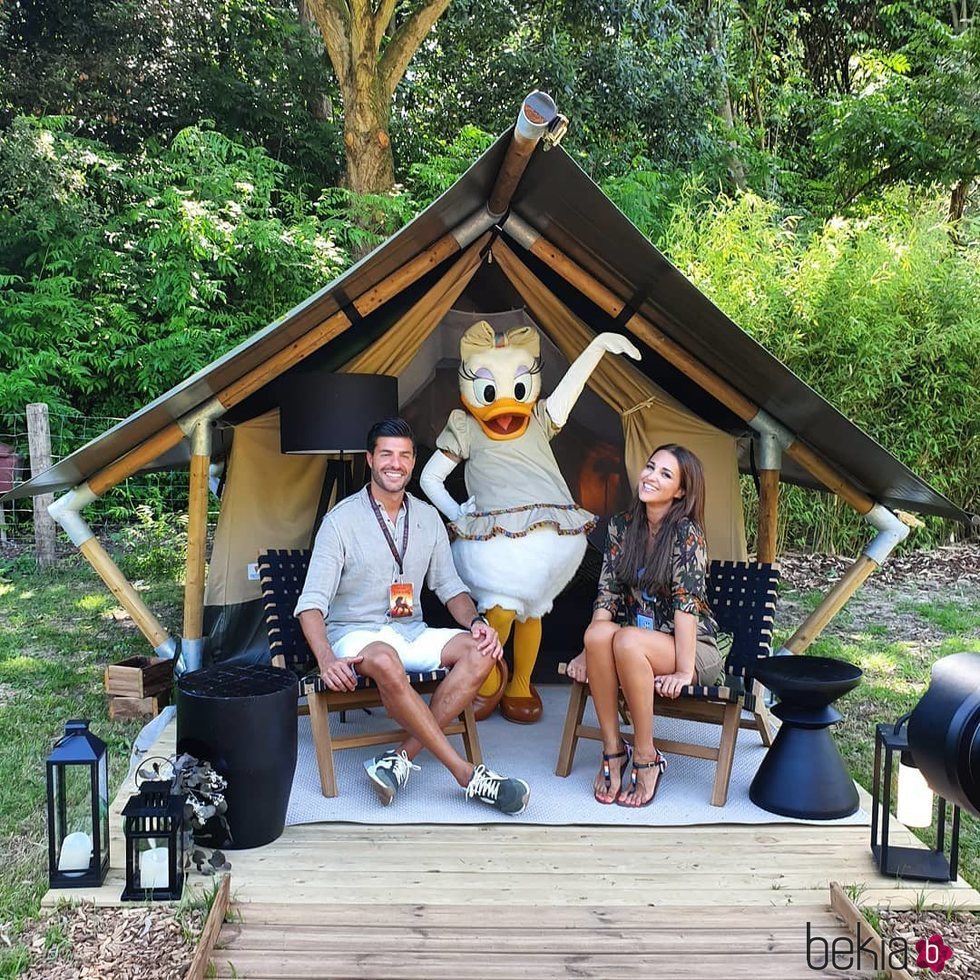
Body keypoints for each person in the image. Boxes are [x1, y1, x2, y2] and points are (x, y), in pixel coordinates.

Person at [295, 417, 530, 815]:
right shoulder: (340, 521)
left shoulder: (427, 518)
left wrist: (477, 624)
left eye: (404, 455)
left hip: (411, 630)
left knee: (484, 651)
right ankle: (466, 774)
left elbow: (451, 589)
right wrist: (326, 659)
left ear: (413, 462)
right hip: (355, 634)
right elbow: (311, 604)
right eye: (386, 453)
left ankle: (400, 758)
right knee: (385, 656)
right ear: (370, 459)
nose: (395, 463)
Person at [566, 444, 722, 808]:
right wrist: (589, 650)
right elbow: (608, 593)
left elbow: (687, 606)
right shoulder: (622, 526)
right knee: (600, 634)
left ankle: (647, 755)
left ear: (681, 491)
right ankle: (613, 750)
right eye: (651, 468)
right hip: (636, 639)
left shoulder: (687, 533)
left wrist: (684, 671)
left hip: (693, 647)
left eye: (665, 474)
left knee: (627, 641)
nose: (651, 476)